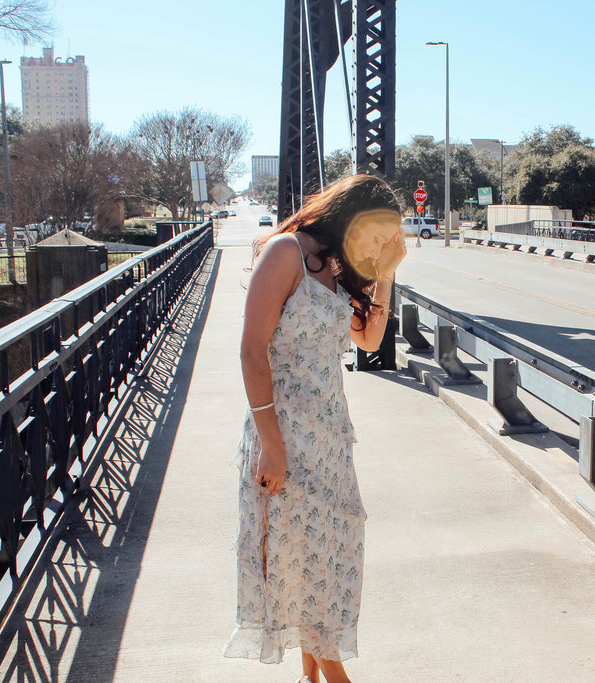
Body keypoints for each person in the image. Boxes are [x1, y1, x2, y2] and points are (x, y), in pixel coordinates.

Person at [225, 175, 407, 683]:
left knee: (324, 559)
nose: (373, 247)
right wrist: (270, 444)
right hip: (282, 434)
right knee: (301, 560)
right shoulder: (287, 253)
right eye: (376, 235)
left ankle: (310, 677)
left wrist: (384, 274)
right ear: (352, 216)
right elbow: (251, 350)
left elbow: (369, 339)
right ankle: (332, 677)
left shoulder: (338, 268)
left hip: (329, 440)